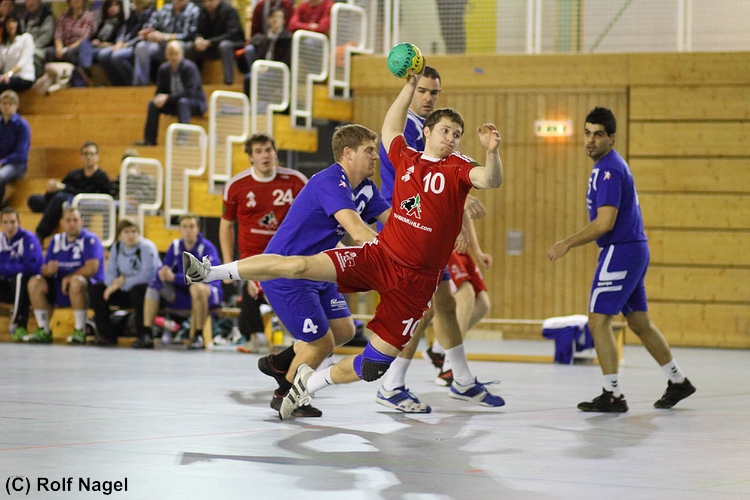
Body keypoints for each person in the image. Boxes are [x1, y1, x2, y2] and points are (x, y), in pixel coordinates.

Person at [184, 66, 505, 419]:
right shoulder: (376, 167)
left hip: (413, 280)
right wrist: (410, 85)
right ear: (427, 132)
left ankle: (305, 379)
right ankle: (212, 275)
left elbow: (484, 181)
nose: (452, 138)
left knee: (363, 353)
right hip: (372, 259)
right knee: (302, 276)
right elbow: (387, 140)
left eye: (457, 134)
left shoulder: (448, 169)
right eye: (446, 130)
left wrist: (490, 155)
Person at [547, 106, 697, 412]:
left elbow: (605, 223)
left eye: (598, 135)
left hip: (621, 250)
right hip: (633, 249)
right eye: (587, 133)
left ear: (612, 138)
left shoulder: (609, 170)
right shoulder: (608, 167)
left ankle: (612, 394)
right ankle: (678, 381)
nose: (591, 140)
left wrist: (567, 243)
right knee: (640, 323)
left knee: (598, 321)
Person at [236, 124, 389, 417]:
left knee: (344, 331)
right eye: (369, 150)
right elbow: (358, 232)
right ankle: (286, 394)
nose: (376, 156)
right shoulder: (330, 181)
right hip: (288, 273)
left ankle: (280, 363)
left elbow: (393, 222)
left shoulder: (366, 188)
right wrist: (396, 258)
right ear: (348, 153)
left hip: (318, 270)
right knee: (321, 342)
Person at [219, 133, 307, 351]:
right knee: (269, 290)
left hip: (288, 253)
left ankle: (285, 338)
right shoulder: (237, 186)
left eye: (268, 150)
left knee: (291, 294)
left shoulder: (296, 181)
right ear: (251, 157)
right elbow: (226, 226)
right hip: (253, 256)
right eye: (258, 151)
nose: (264, 155)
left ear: (275, 153)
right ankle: (299, 340)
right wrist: (228, 263)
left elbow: (312, 216)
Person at [24, 207, 105, 344]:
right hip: (59, 286)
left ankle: (80, 330)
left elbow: (92, 268)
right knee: (35, 282)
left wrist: (69, 277)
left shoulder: (90, 240)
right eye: (68, 220)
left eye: (75, 220)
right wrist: (49, 270)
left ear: (81, 222)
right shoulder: (56, 240)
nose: (72, 224)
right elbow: (44, 268)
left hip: (85, 289)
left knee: (76, 281)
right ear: (62, 223)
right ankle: (44, 329)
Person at [142, 213, 221, 349]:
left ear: (198, 228)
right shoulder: (175, 246)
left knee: (197, 288)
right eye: (184, 227)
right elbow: (165, 267)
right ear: (179, 229)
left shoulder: (207, 248)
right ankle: (147, 333)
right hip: (182, 293)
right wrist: (162, 273)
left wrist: (175, 278)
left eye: (191, 226)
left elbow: (205, 276)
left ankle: (198, 335)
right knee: (154, 284)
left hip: (208, 293)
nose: (188, 230)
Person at [89, 218, 161, 346]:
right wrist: (113, 284)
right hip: (123, 289)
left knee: (139, 290)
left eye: (134, 231)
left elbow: (147, 276)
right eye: (126, 232)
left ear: (139, 233)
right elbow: (110, 272)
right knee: (97, 289)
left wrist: (123, 282)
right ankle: (106, 335)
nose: (130, 235)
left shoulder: (147, 248)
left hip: (146, 293)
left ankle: (144, 335)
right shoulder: (117, 247)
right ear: (120, 235)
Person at [27, 141, 111, 242]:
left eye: (91, 154)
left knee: (59, 199)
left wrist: (63, 188)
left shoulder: (102, 177)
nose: (88, 157)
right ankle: (52, 211)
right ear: (81, 157)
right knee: (33, 199)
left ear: (97, 157)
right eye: (85, 154)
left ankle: (40, 234)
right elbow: (61, 188)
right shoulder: (74, 173)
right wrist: (51, 190)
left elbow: (98, 195)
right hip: (61, 200)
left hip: (82, 204)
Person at [135, 40, 206, 146]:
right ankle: (149, 140)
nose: (174, 57)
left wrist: (167, 98)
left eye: (176, 54)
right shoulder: (163, 70)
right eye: (171, 54)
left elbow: (190, 94)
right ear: (166, 55)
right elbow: (159, 92)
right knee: (152, 104)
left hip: (194, 103)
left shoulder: (189, 68)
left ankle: (182, 140)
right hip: (175, 103)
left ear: (182, 54)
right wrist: (159, 99)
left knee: (183, 102)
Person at [0, 207, 43, 341]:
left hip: (29, 288)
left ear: (19, 222)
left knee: (19, 277)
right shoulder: (0, 240)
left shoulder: (28, 239)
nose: (9, 226)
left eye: (12, 222)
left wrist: (5, 268)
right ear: (1, 224)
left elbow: (30, 267)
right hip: (7, 286)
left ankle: (18, 324)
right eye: (5, 222)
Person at [132, 0, 198, 86]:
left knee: (176, 47)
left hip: (180, 43)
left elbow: (188, 35)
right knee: (141, 47)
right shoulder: (165, 9)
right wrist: (148, 32)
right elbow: (151, 24)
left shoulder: (193, 10)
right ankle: (141, 85)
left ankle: (179, 84)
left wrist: (165, 37)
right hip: (161, 45)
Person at [185, 0, 243, 86]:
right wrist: (198, 39)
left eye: (211, 1)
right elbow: (195, 30)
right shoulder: (202, 11)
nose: (208, 4)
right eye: (205, 1)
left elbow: (233, 33)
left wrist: (211, 42)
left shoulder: (229, 10)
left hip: (231, 44)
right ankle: (192, 82)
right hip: (209, 46)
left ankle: (228, 82)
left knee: (224, 45)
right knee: (189, 47)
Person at [99, 0, 154, 86]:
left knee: (117, 56)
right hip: (123, 44)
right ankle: (118, 85)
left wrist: (126, 45)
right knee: (103, 55)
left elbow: (144, 35)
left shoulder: (152, 14)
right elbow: (123, 29)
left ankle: (133, 85)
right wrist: (119, 41)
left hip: (136, 45)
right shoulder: (133, 14)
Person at [238, 6, 291, 96]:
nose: (276, 19)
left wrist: (269, 68)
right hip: (264, 69)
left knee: (258, 78)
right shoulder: (264, 38)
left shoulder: (288, 38)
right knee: (248, 78)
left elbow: (286, 60)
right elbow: (260, 55)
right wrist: (260, 67)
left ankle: (262, 102)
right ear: (268, 20)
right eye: (273, 16)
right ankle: (251, 103)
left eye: (279, 17)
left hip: (278, 71)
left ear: (283, 21)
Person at [76, 0, 124, 81]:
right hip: (96, 46)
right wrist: (95, 41)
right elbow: (93, 36)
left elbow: (119, 41)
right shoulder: (103, 21)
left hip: (109, 47)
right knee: (83, 44)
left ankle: (85, 71)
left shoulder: (122, 23)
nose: (113, 8)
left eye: (116, 5)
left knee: (83, 54)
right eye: (110, 6)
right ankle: (85, 69)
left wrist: (105, 44)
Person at [0, 90, 30, 205]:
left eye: (10, 104)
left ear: (16, 105)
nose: (7, 106)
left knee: (0, 176)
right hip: (1, 163)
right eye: (4, 103)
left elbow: (20, 154)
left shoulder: (22, 125)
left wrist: (2, 162)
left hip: (16, 165)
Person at [45, 0, 95, 66]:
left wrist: (66, 49)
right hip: (63, 46)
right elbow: (58, 34)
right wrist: (59, 47)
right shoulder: (64, 15)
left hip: (77, 47)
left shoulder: (88, 16)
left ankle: (75, 72)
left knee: (70, 53)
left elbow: (84, 38)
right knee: (49, 52)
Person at [18, 0, 56, 79]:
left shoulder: (46, 16)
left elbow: (47, 36)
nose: (30, 3)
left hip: (41, 48)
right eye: (28, 1)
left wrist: (30, 48)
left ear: (39, 1)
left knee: (33, 57)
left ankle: (32, 82)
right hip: (24, 48)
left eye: (33, 0)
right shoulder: (24, 17)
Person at [0, 14, 36, 92]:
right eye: (8, 23)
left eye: (13, 22)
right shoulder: (4, 44)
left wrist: (9, 74)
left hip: (24, 76)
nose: (11, 25)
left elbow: (23, 62)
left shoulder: (26, 38)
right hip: (7, 78)